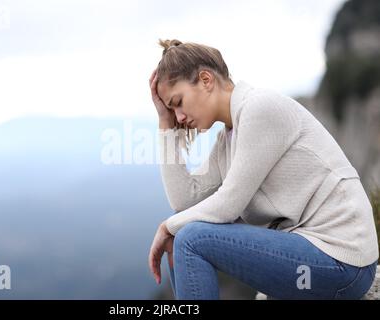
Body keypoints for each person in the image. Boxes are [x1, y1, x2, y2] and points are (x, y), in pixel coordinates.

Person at [147, 38, 379, 300]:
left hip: (342, 265)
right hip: (317, 260)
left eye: (178, 102)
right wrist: (164, 122)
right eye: (171, 110)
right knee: (183, 236)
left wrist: (168, 227)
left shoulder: (260, 108)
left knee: (188, 238)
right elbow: (184, 200)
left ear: (205, 79)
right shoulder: (228, 139)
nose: (179, 117)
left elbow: (228, 205)